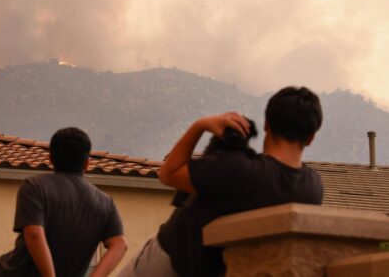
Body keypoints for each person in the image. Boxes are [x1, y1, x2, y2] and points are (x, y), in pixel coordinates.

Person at [119, 86, 324, 277]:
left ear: (267, 125)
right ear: (311, 138)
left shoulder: (240, 169)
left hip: (172, 260)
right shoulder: (313, 188)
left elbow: (168, 173)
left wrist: (200, 126)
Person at [0, 127, 128, 277]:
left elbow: (34, 234)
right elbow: (120, 245)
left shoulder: (35, 186)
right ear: (87, 163)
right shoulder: (105, 203)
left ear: (50, 158)